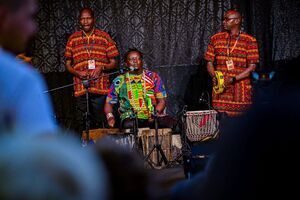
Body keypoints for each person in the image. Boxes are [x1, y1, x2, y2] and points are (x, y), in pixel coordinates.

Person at [0, 0, 57, 135]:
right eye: (29, 17)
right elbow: (43, 148)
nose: (33, 28)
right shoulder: (21, 78)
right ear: (3, 15)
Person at [65, 7, 119, 134]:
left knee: (100, 122)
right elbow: (67, 65)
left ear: (93, 19)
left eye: (88, 18)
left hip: (100, 87)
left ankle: (102, 152)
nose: (85, 21)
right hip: (81, 88)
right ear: (79, 21)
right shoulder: (73, 39)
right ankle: (85, 152)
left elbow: (114, 62)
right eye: (82, 19)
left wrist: (102, 67)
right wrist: (77, 72)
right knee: (83, 124)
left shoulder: (104, 37)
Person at [204, 10, 259, 116]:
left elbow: (252, 67)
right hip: (221, 90)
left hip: (240, 91)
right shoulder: (216, 38)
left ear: (237, 21)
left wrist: (233, 79)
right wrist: (214, 75)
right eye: (223, 19)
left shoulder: (249, 40)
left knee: (240, 126)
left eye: (227, 19)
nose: (224, 22)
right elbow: (209, 62)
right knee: (222, 124)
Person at [104, 48, 167, 129]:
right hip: (130, 117)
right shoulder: (119, 81)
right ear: (126, 63)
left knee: (172, 124)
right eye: (131, 59)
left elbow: (162, 101)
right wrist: (110, 117)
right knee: (129, 125)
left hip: (152, 115)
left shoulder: (153, 77)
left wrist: (155, 113)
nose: (135, 61)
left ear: (142, 61)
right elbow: (109, 103)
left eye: (138, 58)